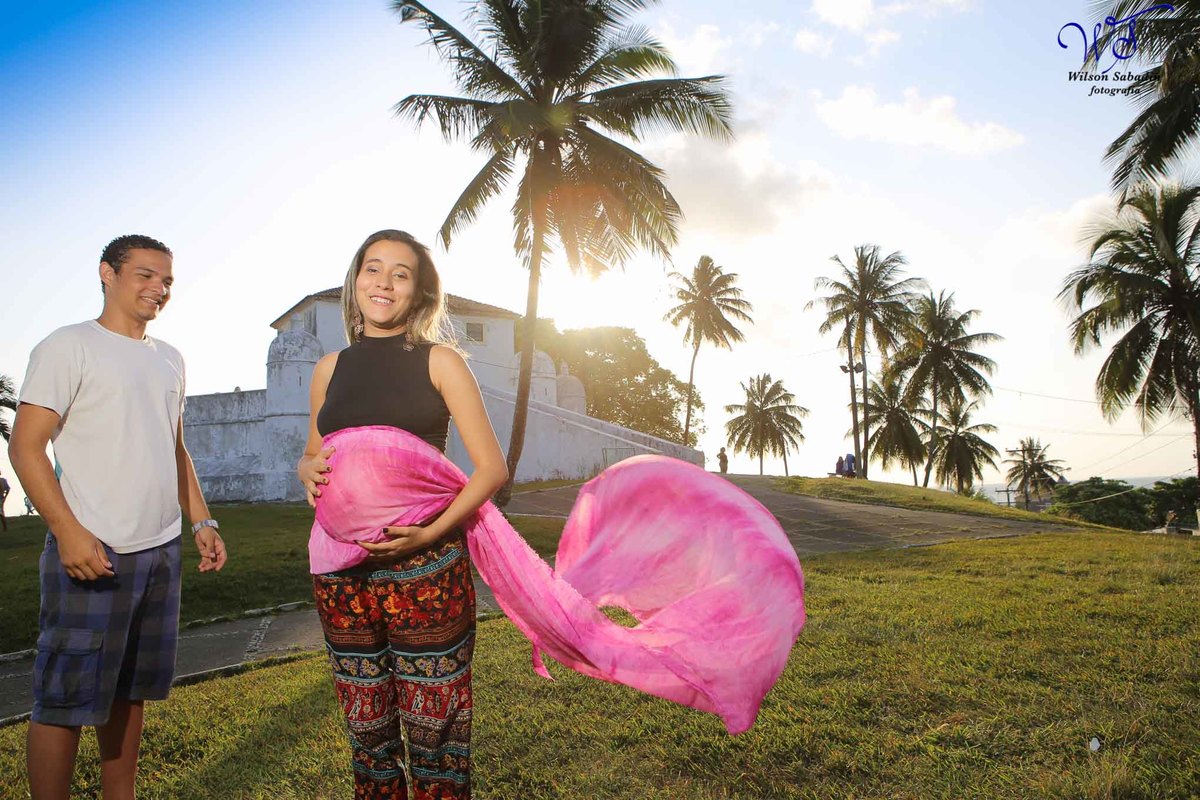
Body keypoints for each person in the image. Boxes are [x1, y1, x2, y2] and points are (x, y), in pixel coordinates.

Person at [7, 234, 227, 800]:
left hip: (160, 551)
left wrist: (202, 523)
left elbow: (174, 449)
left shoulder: (170, 358)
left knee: (131, 691)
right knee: (63, 697)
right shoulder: (68, 346)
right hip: (92, 549)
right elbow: (26, 446)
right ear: (107, 273)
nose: (159, 288)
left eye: (167, 280)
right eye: (146, 275)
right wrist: (68, 532)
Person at [298, 229, 507, 800]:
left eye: (401, 273)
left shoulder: (441, 362)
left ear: (419, 292)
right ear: (355, 280)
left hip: (426, 569)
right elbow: (315, 453)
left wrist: (429, 533)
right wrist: (305, 468)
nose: (384, 283)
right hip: (340, 573)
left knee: (436, 726)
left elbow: (491, 468)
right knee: (366, 728)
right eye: (373, 268)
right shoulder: (329, 368)